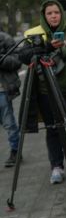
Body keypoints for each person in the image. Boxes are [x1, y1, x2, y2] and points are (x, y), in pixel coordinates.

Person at [18, 0, 66, 183]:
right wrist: (47, 47)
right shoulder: (35, 34)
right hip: (46, 90)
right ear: (44, 15)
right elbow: (24, 57)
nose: (53, 16)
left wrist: (64, 47)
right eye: (49, 13)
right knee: (53, 130)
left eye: (56, 12)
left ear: (62, 14)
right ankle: (57, 166)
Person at [0, 30, 21, 168]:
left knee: (8, 122)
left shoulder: (5, 38)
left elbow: (17, 61)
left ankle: (15, 150)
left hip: (2, 89)